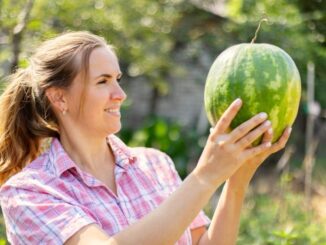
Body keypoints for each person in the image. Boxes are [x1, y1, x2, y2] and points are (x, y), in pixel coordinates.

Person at [0, 31, 291, 245]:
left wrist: (237, 178)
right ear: (59, 98)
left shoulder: (155, 165)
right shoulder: (30, 192)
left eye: (118, 79)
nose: (120, 94)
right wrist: (205, 177)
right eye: (103, 81)